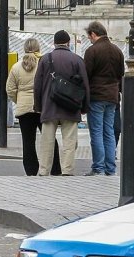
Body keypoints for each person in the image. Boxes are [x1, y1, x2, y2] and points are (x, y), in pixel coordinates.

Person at [33, 30, 89, 176]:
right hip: (71, 106)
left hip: (49, 106)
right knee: (69, 141)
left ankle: (44, 170)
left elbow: (37, 85)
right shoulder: (77, 60)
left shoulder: (45, 59)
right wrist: (84, 107)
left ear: (54, 43)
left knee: (47, 141)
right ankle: (67, 170)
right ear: (68, 43)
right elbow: (85, 85)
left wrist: (38, 106)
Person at [6, 38, 61, 176]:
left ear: (24, 48)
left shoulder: (16, 67)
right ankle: (55, 169)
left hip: (24, 110)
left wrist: (19, 100)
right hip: (43, 107)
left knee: (28, 142)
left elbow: (10, 89)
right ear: (38, 48)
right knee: (50, 139)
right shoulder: (45, 64)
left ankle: (31, 171)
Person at [83, 21, 125, 176]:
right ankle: (110, 167)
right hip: (112, 96)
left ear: (93, 34)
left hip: (96, 96)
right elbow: (121, 74)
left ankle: (98, 167)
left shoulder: (92, 51)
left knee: (96, 132)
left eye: (89, 37)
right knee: (109, 132)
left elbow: (86, 75)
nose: (90, 40)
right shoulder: (117, 51)